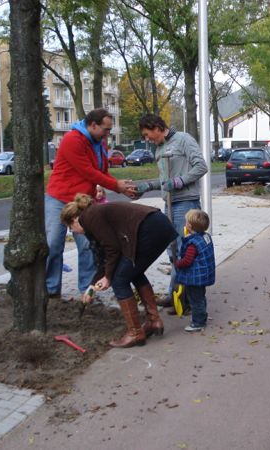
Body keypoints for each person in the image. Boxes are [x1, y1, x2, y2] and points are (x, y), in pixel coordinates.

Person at [61, 194, 178, 348]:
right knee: (132, 273)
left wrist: (108, 277)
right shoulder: (92, 216)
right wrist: (92, 285)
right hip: (157, 226)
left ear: (74, 219)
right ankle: (153, 321)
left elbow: (113, 248)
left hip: (149, 229)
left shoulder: (89, 218)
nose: (74, 231)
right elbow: (103, 256)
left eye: (71, 228)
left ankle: (135, 333)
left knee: (119, 280)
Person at [45, 108, 136, 299]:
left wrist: (122, 187)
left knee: (88, 246)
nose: (108, 134)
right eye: (106, 129)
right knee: (54, 243)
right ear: (93, 125)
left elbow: (101, 172)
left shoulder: (100, 144)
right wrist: (116, 186)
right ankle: (51, 291)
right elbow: (88, 171)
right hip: (59, 198)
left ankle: (87, 291)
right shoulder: (72, 140)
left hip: (83, 201)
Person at [136, 114, 208, 310]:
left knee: (186, 251)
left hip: (186, 204)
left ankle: (189, 299)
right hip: (169, 203)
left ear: (157, 127)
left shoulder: (183, 140)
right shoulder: (159, 149)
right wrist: (148, 186)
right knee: (173, 252)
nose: (147, 139)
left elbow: (201, 166)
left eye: (147, 134)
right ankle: (175, 293)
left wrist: (179, 181)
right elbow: (164, 180)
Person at [174, 209, 215, 332]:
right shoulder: (205, 236)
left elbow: (187, 261)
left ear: (190, 226)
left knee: (195, 300)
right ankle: (202, 316)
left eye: (186, 222)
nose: (185, 224)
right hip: (204, 274)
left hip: (195, 277)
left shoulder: (192, 244)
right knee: (201, 297)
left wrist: (177, 263)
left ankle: (198, 323)